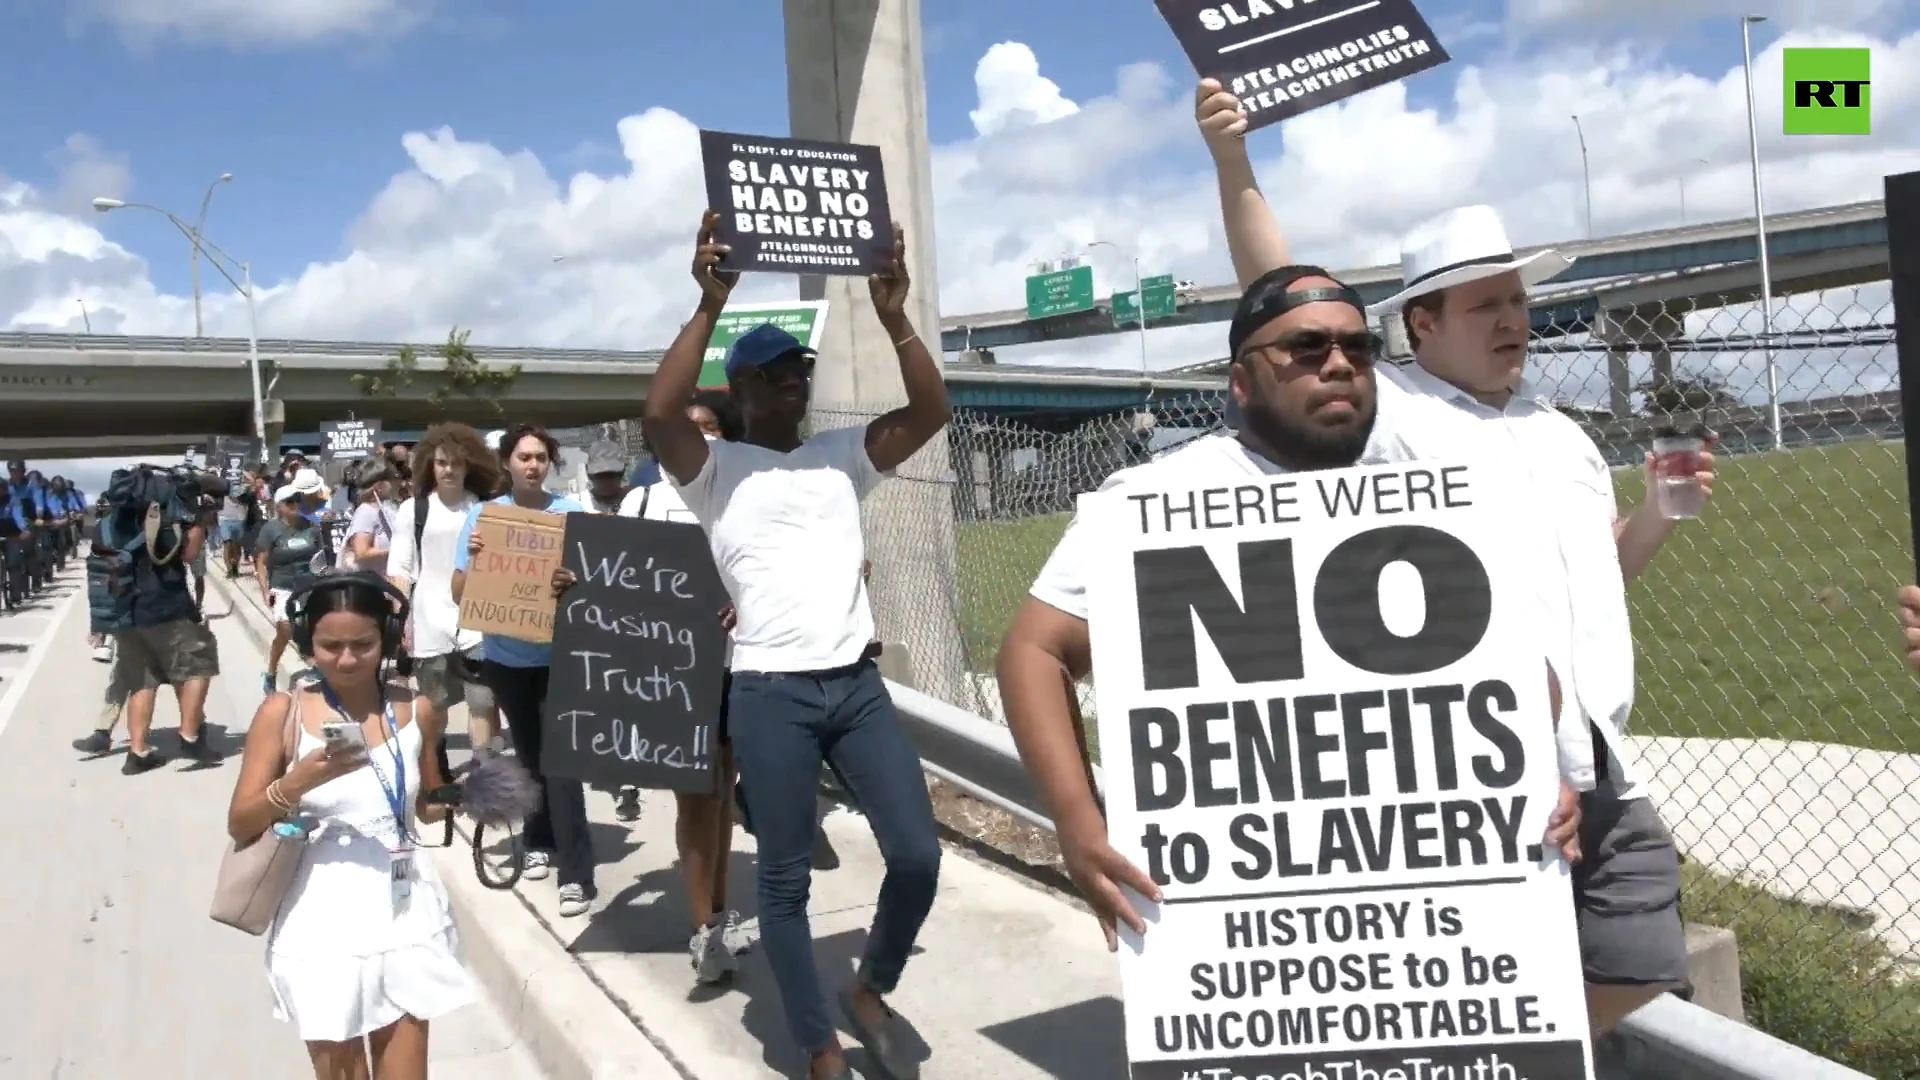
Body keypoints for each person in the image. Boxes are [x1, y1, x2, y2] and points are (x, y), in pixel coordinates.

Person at [1191, 76, 1704, 1037]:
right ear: (1420, 323)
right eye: (1485, 305)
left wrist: (1657, 517)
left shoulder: (1560, 430)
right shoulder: (1390, 414)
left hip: (1596, 751)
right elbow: (1287, 291)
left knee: (1642, 949)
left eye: (1517, 300)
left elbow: (1597, 578)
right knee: (1478, 962)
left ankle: (1523, 1051)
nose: (1514, 318)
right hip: (1471, 757)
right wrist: (1234, 160)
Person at [640, 212, 948, 1080]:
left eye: (800, 374)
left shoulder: (842, 457)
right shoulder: (710, 468)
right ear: (738, 388)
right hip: (770, 694)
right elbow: (658, 408)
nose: (792, 387)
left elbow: (932, 408)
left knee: (917, 854)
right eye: (773, 377)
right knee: (783, 881)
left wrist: (895, 317)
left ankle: (870, 987)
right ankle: (816, 1042)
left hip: (854, 688)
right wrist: (709, 303)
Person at [225, 574, 475, 1079]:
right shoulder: (282, 712)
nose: (345, 659)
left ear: (385, 638)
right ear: (306, 644)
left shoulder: (416, 707)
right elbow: (240, 821)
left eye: (362, 644)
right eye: (329, 645)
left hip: (405, 912)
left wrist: (471, 796)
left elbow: (428, 804)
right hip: (319, 919)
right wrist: (297, 781)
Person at [450, 426, 596, 917]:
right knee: (530, 755)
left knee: (564, 764)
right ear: (507, 462)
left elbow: (596, 589)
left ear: (549, 465)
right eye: (524, 456)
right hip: (507, 659)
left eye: (540, 457)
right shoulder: (484, 518)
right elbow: (459, 593)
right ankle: (537, 840)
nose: (532, 465)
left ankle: (576, 873)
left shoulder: (571, 514)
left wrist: (572, 581)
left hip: (561, 659)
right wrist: (473, 562)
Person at [389, 423, 504, 778]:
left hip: (479, 623)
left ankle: (487, 775)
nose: (449, 469)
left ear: (470, 465)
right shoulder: (413, 510)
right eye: (441, 463)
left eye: (456, 462)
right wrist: (401, 621)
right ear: (429, 466)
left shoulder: (487, 509)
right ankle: (434, 777)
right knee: (434, 707)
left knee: (483, 703)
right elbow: (400, 569)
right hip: (429, 624)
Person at [104, 467, 224, 773]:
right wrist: (197, 522)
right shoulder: (182, 514)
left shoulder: (123, 516)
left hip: (128, 607)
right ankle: (189, 735)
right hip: (166, 604)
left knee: (142, 681)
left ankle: (138, 753)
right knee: (200, 661)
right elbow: (189, 556)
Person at [256, 481, 327, 695]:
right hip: (282, 585)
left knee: (312, 626)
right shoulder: (270, 530)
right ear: (279, 506)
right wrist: (265, 589)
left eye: (298, 500)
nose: (295, 504)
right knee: (286, 627)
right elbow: (261, 561)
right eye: (289, 501)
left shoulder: (312, 528)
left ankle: (317, 666)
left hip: (309, 584)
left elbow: (322, 556)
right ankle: (271, 672)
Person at [342, 460, 400, 576]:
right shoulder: (365, 512)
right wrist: (399, 551)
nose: (394, 483)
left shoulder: (384, 510)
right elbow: (362, 553)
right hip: (371, 586)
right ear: (379, 486)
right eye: (390, 479)